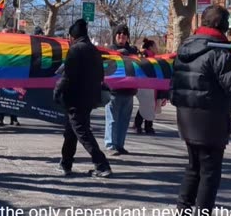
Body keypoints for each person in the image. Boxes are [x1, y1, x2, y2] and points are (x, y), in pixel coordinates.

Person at [170, 5, 231, 214]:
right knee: (209, 172)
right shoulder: (218, 51)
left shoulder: (185, 47)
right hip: (210, 119)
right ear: (221, 25)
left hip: (186, 117)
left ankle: (183, 209)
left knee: (193, 167)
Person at [54, 19, 112, 178]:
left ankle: (102, 164)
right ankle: (66, 163)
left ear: (72, 36)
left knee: (82, 131)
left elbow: (68, 75)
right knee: (71, 130)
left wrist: (57, 91)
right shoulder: (94, 50)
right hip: (89, 97)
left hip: (74, 98)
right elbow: (101, 74)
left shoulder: (75, 50)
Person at [104, 24, 138, 155]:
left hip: (129, 91)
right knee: (112, 119)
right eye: (119, 34)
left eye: (124, 34)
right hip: (113, 91)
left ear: (127, 37)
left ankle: (120, 144)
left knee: (124, 120)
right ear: (115, 36)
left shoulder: (133, 52)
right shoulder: (109, 50)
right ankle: (110, 145)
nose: (121, 36)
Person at [133, 38, 159, 134]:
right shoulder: (145, 55)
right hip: (145, 84)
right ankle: (140, 125)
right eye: (155, 46)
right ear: (151, 47)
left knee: (149, 105)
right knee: (147, 104)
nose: (157, 48)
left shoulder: (154, 56)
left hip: (151, 84)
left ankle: (147, 125)